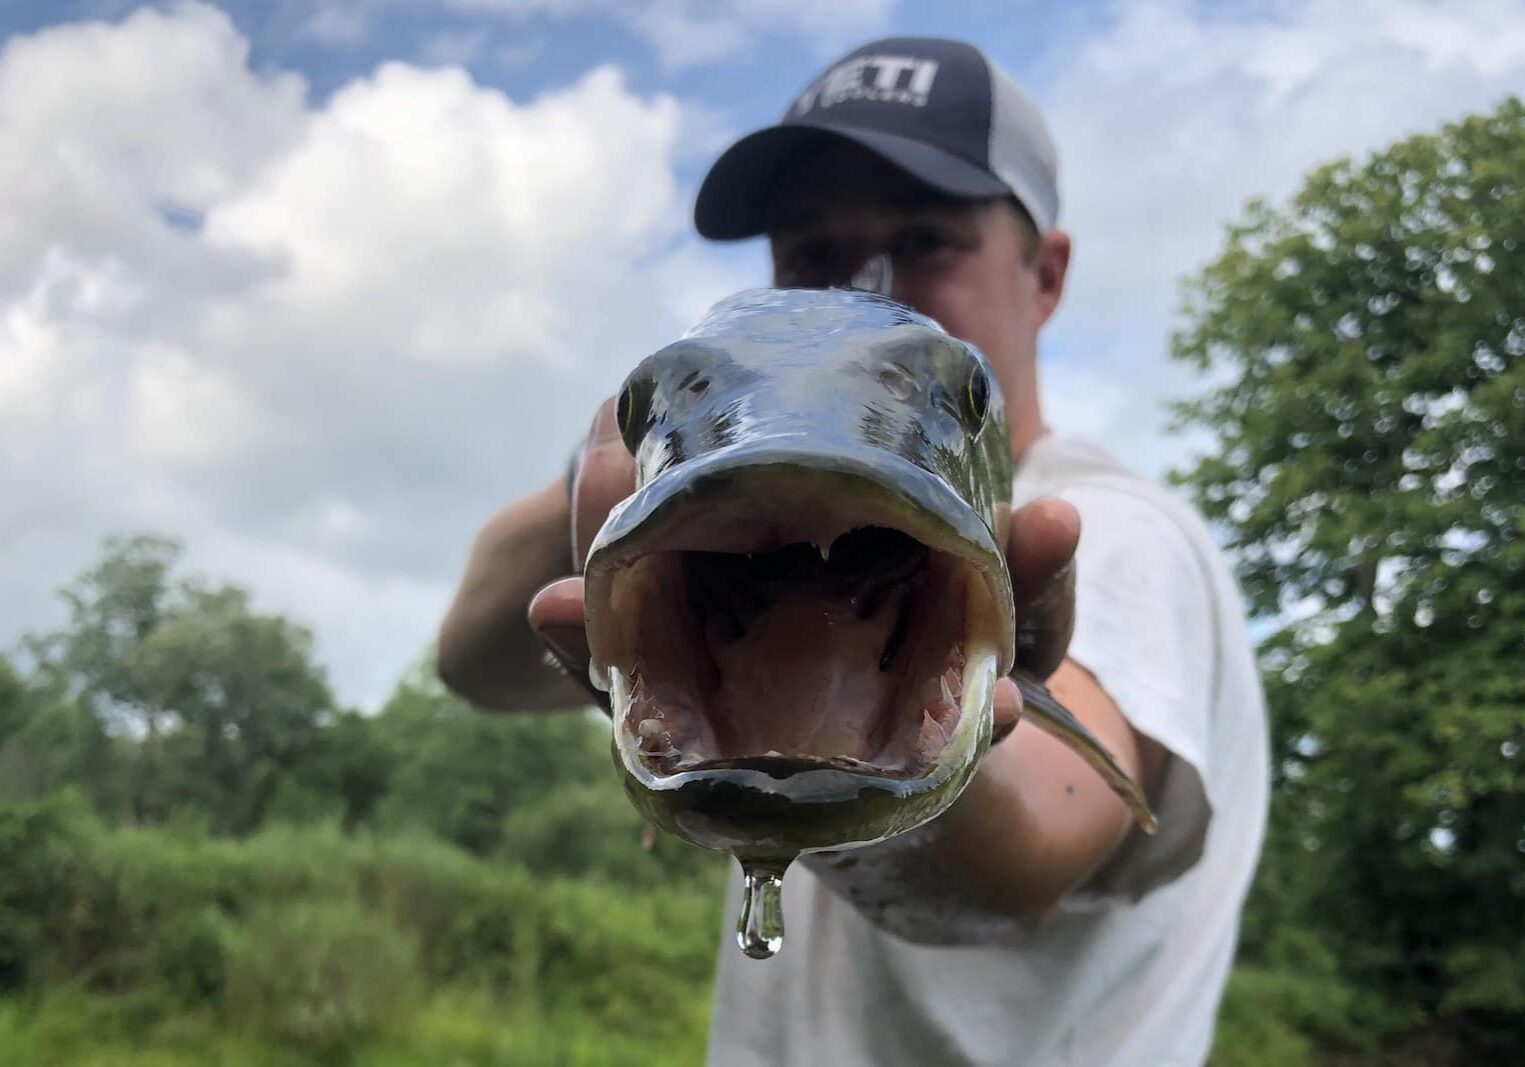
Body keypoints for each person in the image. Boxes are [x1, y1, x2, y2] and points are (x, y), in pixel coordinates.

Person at [438, 35, 1269, 1067]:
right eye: (811, 256)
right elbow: (474, 661)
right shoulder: (713, 534)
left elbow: (1018, 861)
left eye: (925, 239)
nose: (870, 285)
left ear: (1044, 275)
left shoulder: (1125, 532)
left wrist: (900, 765)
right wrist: (629, 449)